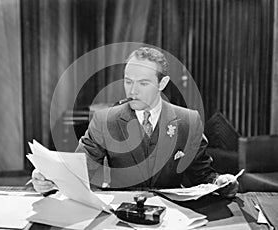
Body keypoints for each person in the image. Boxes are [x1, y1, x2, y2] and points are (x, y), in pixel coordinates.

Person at [32, 47, 239, 197]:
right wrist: (50, 179)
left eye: (143, 83)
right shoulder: (105, 120)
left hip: (172, 218)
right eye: (128, 81)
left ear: (162, 83)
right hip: (120, 218)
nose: (132, 91)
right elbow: (80, 170)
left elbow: (203, 175)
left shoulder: (188, 121)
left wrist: (220, 182)